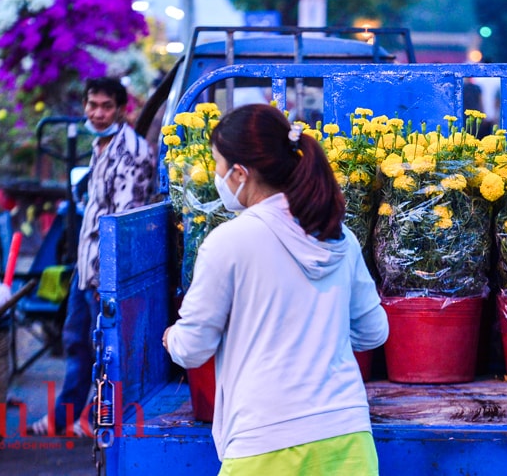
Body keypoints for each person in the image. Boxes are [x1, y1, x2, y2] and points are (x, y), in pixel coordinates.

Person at [163, 104, 388, 474]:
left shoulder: (229, 242)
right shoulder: (338, 237)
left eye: (218, 163)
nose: (217, 174)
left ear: (240, 173)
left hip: (265, 443)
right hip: (348, 440)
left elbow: (193, 347)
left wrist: (171, 337)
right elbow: (373, 331)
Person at [29, 77, 155, 436]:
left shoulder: (130, 151)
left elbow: (123, 223)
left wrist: (108, 282)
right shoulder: (102, 144)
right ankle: (62, 419)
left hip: (105, 275)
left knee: (106, 352)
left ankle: (92, 418)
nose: (98, 113)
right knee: (76, 346)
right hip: (85, 271)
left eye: (106, 107)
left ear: (121, 109)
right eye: (92, 105)